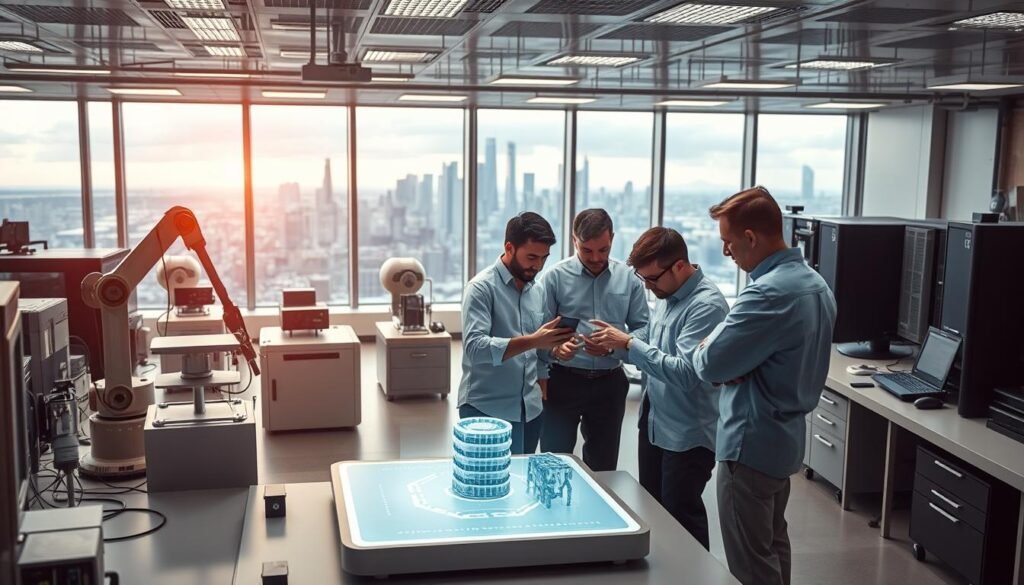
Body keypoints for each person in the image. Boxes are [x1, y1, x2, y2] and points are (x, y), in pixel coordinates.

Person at [692, 187, 837, 585]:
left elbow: (708, 363)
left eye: (728, 242)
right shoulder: (816, 285)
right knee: (773, 545)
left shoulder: (768, 294)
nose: (727, 253)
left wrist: (712, 346)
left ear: (751, 238)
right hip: (785, 440)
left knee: (751, 562)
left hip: (749, 444)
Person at [589, 227, 727, 550]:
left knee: (682, 516)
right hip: (655, 422)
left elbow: (685, 373)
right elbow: (651, 348)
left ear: (679, 266)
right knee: (655, 509)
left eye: (652, 279)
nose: (648, 288)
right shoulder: (667, 295)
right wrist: (615, 346)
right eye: (643, 280)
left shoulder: (707, 306)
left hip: (687, 434)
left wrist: (630, 343)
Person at [537, 209, 649, 472]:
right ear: (574, 241)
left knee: (604, 467)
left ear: (612, 238)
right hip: (562, 381)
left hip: (610, 385)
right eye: (587, 250)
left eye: (604, 249)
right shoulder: (554, 277)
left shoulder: (629, 278)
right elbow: (539, 333)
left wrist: (616, 344)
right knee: (553, 463)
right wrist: (555, 349)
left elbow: (644, 328)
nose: (596, 258)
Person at [459, 212, 575, 455]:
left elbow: (539, 349)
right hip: (486, 410)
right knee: (490, 488)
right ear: (509, 248)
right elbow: (474, 348)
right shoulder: (480, 288)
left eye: (544, 258)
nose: (538, 266)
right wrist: (534, 341)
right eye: (531, 257)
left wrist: (555, 349)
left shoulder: (537, 290)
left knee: (523, 485)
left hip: (530, 410)